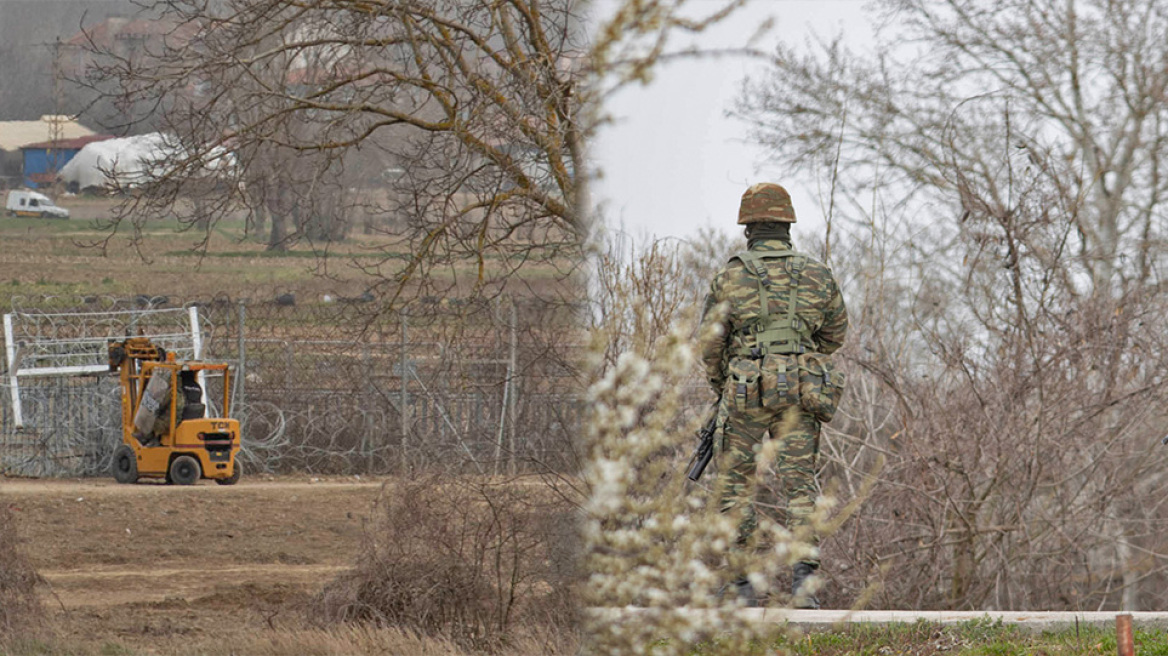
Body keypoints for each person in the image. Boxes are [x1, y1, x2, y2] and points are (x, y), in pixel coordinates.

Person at [698, 182, 848, 609]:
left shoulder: (730, 275)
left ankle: (741, 585)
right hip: (799, 391)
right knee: (801, 486)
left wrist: (723, 384)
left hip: (743, 392)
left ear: (748, 227)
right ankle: (804, 584)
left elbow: (710, 344)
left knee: (734, 485)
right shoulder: (818, 274)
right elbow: (835, 334)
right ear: (787, 224)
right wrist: (798, 357)